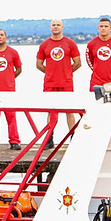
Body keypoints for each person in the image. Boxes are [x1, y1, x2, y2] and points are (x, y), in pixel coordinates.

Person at [36, 19, 82, 148]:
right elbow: (39, 64)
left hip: (66, 82)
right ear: (50, 27)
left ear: (62, 27)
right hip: (50, 83)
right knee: (51, 111)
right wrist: (50, 73)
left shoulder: (70, 43)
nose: (56, 27)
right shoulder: (44, 44)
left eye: (58, 25)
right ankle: (49, 139)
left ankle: (73, 137)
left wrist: (66, 72)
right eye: (53, 25)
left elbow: (78, 62)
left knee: (69, 111)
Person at [85, 17, 111, 91]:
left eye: (106, 26)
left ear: (110, 28)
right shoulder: (91, 44)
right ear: (98, 28)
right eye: (101, 26)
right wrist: (97, 70)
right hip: (96, 82)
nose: (103, 28)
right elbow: (89, 61)